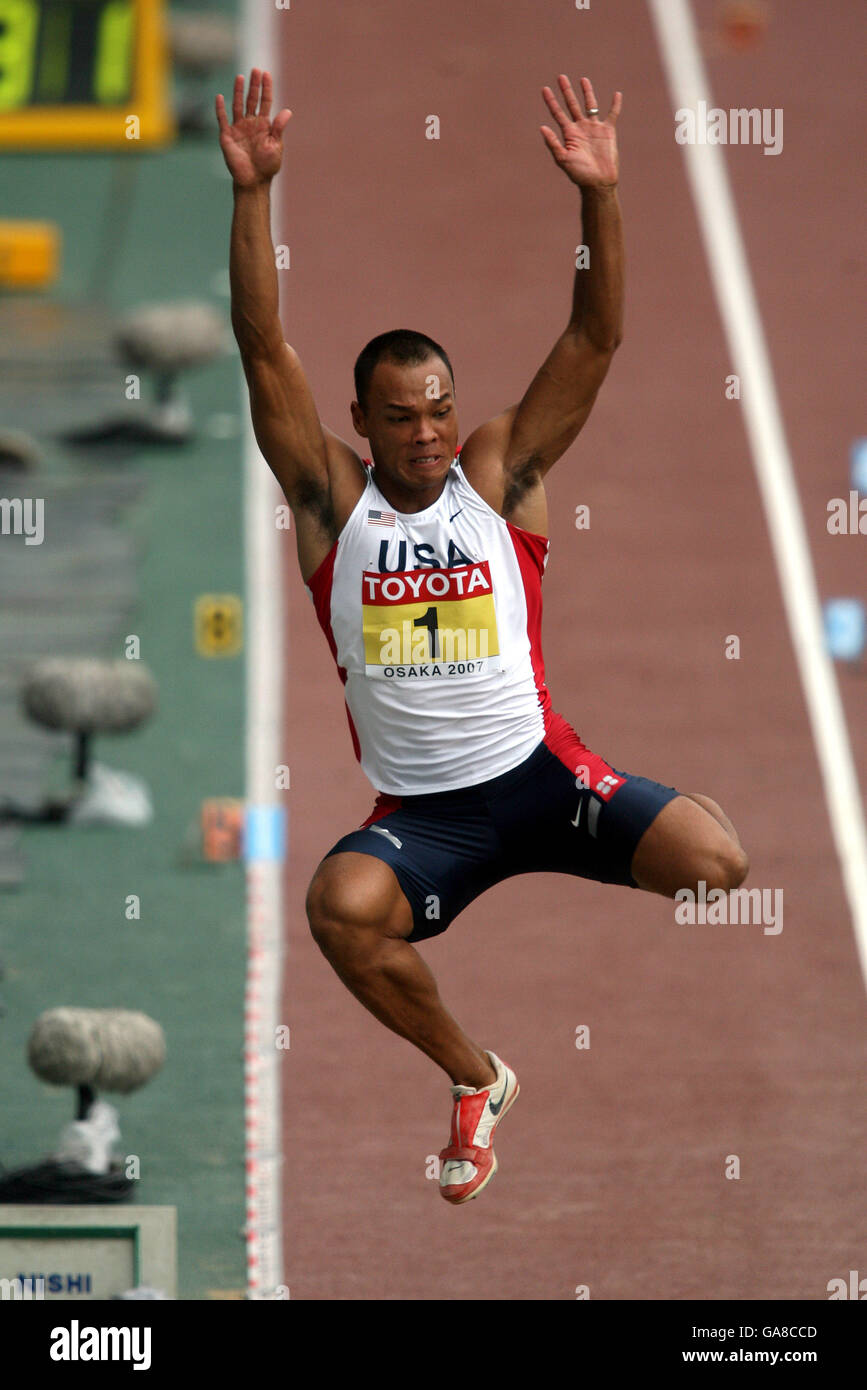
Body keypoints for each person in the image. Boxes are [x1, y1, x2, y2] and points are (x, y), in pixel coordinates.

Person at [217, 68, 748, 1205]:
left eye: (440, 408)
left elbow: (595, 339)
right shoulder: (330, 499)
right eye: (399, 415)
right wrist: (254, 194)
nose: (425, 431)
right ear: (361, 422)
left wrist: (599, 196)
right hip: (430, 819)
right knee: (337, 914)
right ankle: (477, 1078)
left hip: (547, 780)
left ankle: (648, 796)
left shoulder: (501, 479)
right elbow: (263, 349)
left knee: (720, 869)